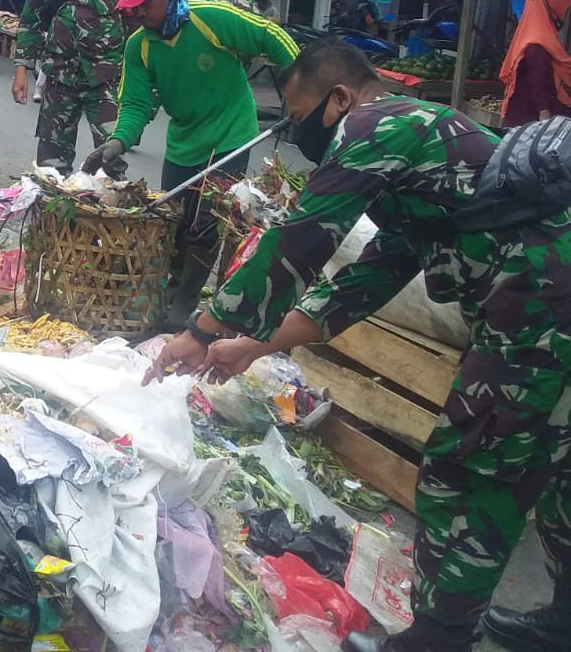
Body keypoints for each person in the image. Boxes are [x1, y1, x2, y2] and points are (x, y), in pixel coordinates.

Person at [146, 38, 571, 652]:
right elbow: (364, 281)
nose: (299, 136)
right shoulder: (420, 156)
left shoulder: (376, 124)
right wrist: (253, 346)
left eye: (298, 118)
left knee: (472, 469)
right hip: (547, 302)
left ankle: (437, 639)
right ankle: (563, 622)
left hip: (542, 307)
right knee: (560, 469)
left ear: (339, 97)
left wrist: (203, 330)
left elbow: (298, 241)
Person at [82, 0, 298, 332]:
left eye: (145, 3)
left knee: (205, 225)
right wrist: (117, 141)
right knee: (172, 224)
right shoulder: (139, 47)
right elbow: (134, 104)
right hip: (183, 142)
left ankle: (183, 307)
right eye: (131, 5)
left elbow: (271, 36)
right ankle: (165, 298)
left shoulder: (211, 18)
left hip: (230, 136)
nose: (137, 12)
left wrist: (300, 90)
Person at [11, 0, 128, 177]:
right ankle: (52, 219)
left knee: (111, 164)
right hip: (59, 78)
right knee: (51, 166)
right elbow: (31, 20)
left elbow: (136, 24)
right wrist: (20, 72)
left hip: (106, 79)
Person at [499, 0, 571, 128]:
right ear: (553, 9)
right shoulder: (537, 45)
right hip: (530, 119)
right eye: (564, 11)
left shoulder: (533, 38)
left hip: (524, 115)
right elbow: (536, 82)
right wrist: (544, 112)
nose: (564, 16)